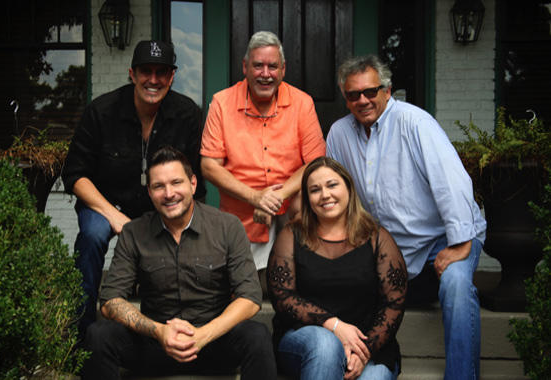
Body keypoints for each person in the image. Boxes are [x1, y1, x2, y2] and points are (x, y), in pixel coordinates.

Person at [326, 55, 487, 380]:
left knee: (456, 285)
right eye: (353, 95)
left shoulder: (416, 123)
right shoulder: (340, 134)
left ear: (387, 90)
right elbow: (336, 195)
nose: (362, 100)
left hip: (439, 243)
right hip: (389, 252)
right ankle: (363, 362)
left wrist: (460, 242)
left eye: (370, 91)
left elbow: (451, 182)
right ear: (346, 99)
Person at [80, 146, 276, 380]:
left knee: (257, 335)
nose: (169, 193)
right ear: (150, 192)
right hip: (154, 346)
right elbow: (110, 300)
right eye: (158, 186)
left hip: (213, 346)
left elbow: (250, 297)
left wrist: (203, 335)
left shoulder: (227, 227)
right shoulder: (134, 232)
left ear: (193, 184)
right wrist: (159, 331)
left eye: (176, 183)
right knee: (99, 334)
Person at [62, 40, 206, 339]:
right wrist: (112, 216)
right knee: (91, 236)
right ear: (132, 73)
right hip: (106, 204)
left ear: (172, 76)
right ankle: (82, 335)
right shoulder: (101, 111)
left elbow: (195, 180)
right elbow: (75, 174)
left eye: (161, 72)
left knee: (189, 236)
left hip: (160, 207)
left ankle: (182, 327)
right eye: (145, 71)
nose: (153, 80)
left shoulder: (187, 113)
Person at [267, 156, 407, 380]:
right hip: (306, 339)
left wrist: (364, 350)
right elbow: (282, 297)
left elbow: (393, 304)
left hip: (368, 343)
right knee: (326, 345)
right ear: (308, 199)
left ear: (349, 188)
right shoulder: (292, 235)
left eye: (332, 185)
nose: (325, 195)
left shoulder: (377, 238)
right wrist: (334, 326)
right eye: (315, 189)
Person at [200, 31, 326, 272]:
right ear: (245, 66)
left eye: (272, 66)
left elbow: (316, 162)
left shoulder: (302, 103)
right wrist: (255, 197)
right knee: (246, 288)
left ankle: (303, 268)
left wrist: (273, 199)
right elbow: (208, 166)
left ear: (283, 69)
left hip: (291, 212)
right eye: (258, 66)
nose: (265, 74)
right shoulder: (221, 103)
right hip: (243, 215)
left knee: (304, 201)